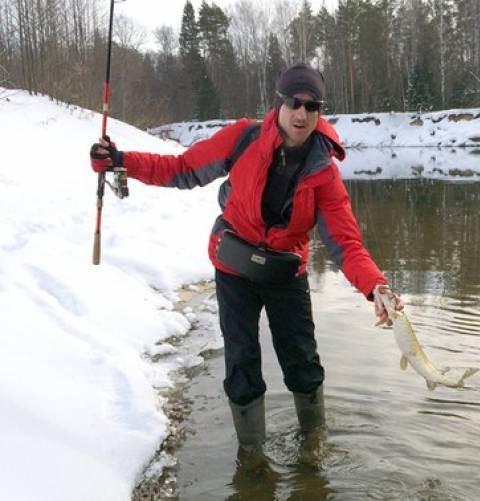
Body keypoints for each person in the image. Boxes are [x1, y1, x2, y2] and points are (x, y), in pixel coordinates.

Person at [89, 63, 403, 451]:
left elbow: (346, 243)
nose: (302, 114)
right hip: (233, 268)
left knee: (303, 364)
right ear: (279, 103)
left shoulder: (324, 172)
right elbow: (183, 169)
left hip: (286, 272)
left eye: (312, 106)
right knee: (241, 365)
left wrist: (375, 287)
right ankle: (252, 462)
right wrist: (121, 160)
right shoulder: (243, 138)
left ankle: (314, 449)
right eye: (294, 103)